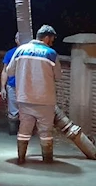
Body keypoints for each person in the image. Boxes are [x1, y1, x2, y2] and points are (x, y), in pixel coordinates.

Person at [8, 25, 62, 164]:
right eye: (52, 39)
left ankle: (21, 159)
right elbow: (58, 76)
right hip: (45, 100)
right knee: (45, 132)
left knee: (24, 129)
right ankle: (47, 161)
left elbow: (10, 72)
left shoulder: (20, 50)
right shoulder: (51, 53)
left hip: (24, 98)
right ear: (47, 37)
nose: (53, 42)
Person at [0, 32, 23, 135]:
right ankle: (13, 130)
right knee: (13, 111)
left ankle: (24, 131)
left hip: (26, 87)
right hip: (12, 85)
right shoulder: (10, 53)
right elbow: (4, 71)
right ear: (16, 40)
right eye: (19, 38)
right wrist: (3, 87)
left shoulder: (29, 53)